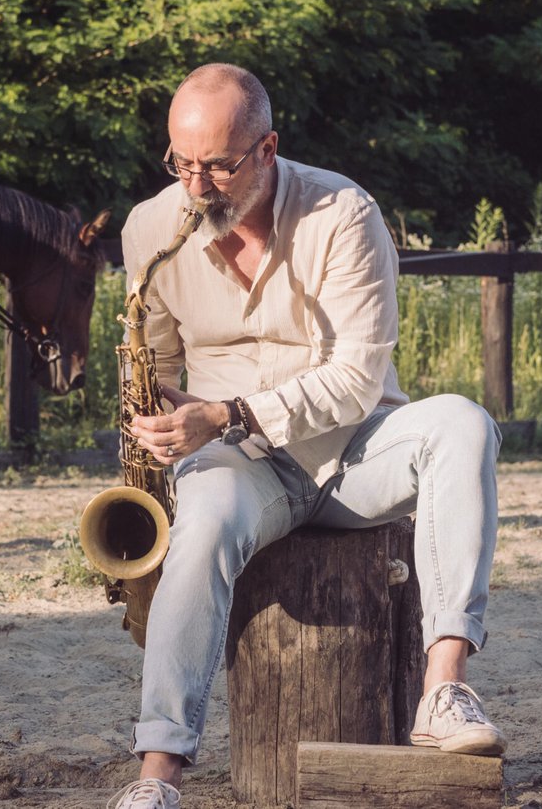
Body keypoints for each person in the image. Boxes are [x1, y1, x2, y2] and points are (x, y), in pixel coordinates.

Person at [105, 64, 504, 809]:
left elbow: (356, 378)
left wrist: (227, 412)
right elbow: (155, 368)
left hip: (356, 448)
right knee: (204, 522)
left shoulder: (345, 213)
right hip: (236, 466)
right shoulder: (149, 229)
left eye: (218, 166)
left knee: (463, 423)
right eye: (181, 164)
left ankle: (444, 690)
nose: (197, 187)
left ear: (266, 149)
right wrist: (158, 420)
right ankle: (157, 776)